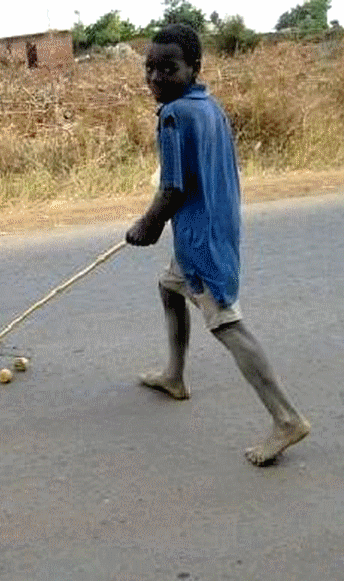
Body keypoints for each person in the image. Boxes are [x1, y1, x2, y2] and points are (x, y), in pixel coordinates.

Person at [126, 24, 310, 466]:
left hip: (199, 243)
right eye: (149, 67)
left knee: (228, 325)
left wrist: (145, 225)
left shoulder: (173, 115)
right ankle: (174, 375)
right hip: (214, 227)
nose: (155, 77)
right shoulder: (207, 106)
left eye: (167, 68)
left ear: (193, 68)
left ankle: (287, 418)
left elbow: (172, 189)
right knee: (169, 288)